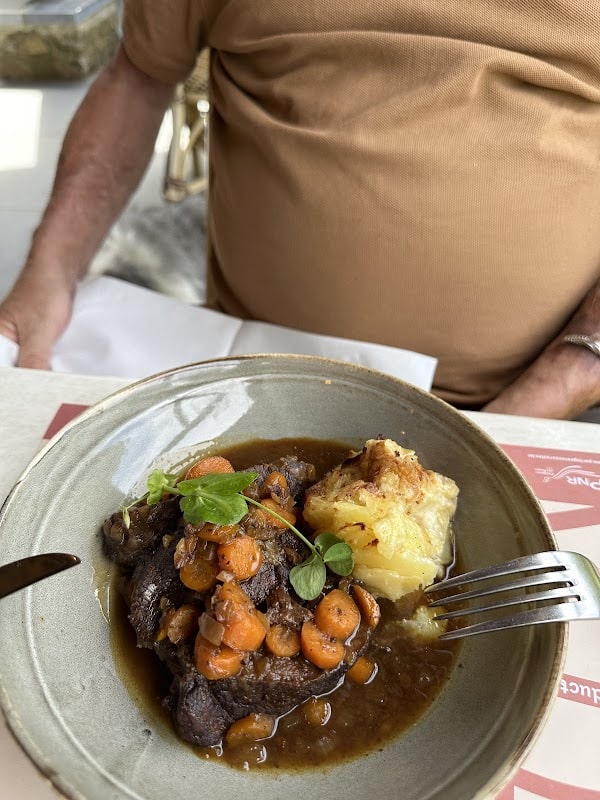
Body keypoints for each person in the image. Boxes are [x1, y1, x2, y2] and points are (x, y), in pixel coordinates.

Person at [1, 1, 599, 419]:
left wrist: (564, 378)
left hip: (515, 400)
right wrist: (47, 273)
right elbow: (138, 74)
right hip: (246, 371)